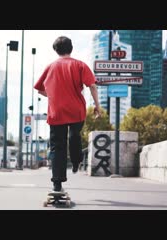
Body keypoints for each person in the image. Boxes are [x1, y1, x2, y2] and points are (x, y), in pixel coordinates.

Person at [34, 36, 101, 192]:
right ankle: (77, 160)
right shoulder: (80, 65)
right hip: (76, 110)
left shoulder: (50, 67)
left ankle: (57, 184)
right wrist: (97, 106)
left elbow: (39, 89)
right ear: (71, 48)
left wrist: (53, 96)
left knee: (57, 147)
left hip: (56, 112)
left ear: (55, 50)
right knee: (74, 135)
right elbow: (92, 86)